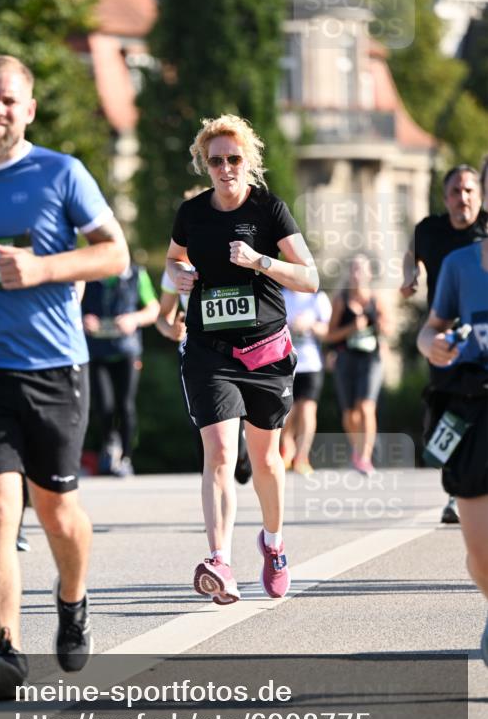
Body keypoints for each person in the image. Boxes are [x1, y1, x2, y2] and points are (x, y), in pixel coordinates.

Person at [0, 55, 128, 697]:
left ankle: (72, 601)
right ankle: (6, 648)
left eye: (10, 101)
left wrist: (40, 269)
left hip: (55, 369)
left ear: (29, 109)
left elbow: (115, 254)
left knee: (57, 512)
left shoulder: (61, 173)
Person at [166, 114, 318, 604]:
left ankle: (273, 545)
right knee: (220, 455)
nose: (226, 168)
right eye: (216, 160)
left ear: (247, 161)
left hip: (265, 352)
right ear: (203, 165)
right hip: (210, 350)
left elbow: (310, 278)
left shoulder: (270, 209)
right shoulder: (192, 214)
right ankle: (220, 561)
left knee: (267, 461)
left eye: (234, 159)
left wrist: (260, 261)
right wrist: (178, 278)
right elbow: (173, 260)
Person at [416, 156, 488, 666]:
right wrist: (431, 344)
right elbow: (431, 326)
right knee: (480, 552)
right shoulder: (461, 265)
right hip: (474, 404)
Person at [401, 164, 487, 524]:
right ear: (445, 196)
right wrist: (411, 273)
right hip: (441, 332)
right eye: (455, 191)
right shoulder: (430, 230)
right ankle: (456, 489)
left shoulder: (485, 229)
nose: (462, 198)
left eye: (469, 191)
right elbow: (411, 253)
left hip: (477, 336)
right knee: (448, 417)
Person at [157, 262, 252, 485]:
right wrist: (171, 330)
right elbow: (162, 317)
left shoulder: (238, 254)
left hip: (238, 349)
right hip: (196, 352)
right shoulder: (177, 267)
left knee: (235, 419)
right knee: (202, 421)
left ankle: (241, 449)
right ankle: (212, 491)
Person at [82, 262, 159, 476]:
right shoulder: (87, 274)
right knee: (103, 405)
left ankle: (126, 457)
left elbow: (153, 309)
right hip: (96, 351)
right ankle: (109, 445)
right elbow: (71, 307)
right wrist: (83, 319)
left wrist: (134, 319)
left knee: (125, 405)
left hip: (127, 351)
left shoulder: (136, 274)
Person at [326, 254, 392, 476]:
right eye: (354, 269)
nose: (357, 274)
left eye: (361, 270)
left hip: (371, 359)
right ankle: (357, 448)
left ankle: (365, 458)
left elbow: (389, 329)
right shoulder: (341, 300)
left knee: (366, 407)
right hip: (346, 359)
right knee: (350, 413)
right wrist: (352, 327)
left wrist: (382, 325)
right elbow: (330, 335)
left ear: (369, 274)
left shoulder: (376, 299)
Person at [280, 289, 332, 475]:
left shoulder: (318, 297)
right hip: (285, 364)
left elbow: (328, 331)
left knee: (307, 410)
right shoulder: (281, 294)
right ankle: (287, 448)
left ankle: (302, 457)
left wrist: (310, 325)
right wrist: (291, 325)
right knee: (287, 411)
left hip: (311, 364)